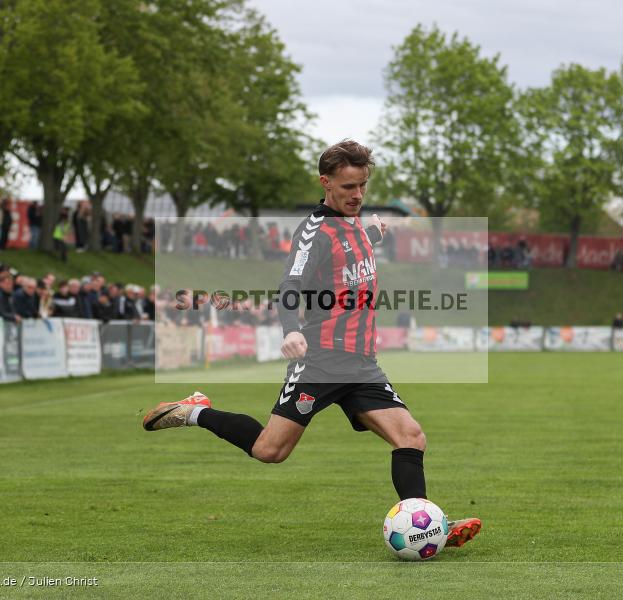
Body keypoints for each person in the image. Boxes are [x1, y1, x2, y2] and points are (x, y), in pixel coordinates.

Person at [142, 140, 481, 550]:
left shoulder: (354, 222)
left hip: (362, 365)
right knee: (270, 450)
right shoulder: (313, 231)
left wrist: (372, 232)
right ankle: (195, 412)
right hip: (320, 361)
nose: (357, 195)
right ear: (326, 183)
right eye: (348, 187)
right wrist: (290, 329)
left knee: (410, 436)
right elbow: (291, 284)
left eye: (363, 186)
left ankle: (427, 527)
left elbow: (347, 259)